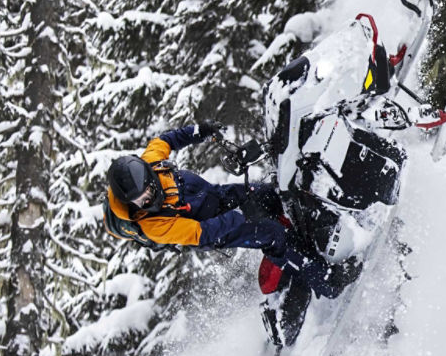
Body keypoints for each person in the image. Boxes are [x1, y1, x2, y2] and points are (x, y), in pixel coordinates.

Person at [103, 123, 336, 296]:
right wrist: (241, 216)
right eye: (138, 202)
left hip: (214, 196)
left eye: (147, 194)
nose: (146, 202)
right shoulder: (151, 224)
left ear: (150, 177)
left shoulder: (151, 160)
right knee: (272, 234)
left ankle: (313, 233)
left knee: (269, 195)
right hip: (216, 230)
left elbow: (168, 139)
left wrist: (200, 131)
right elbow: (202, 232)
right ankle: (326, 281)